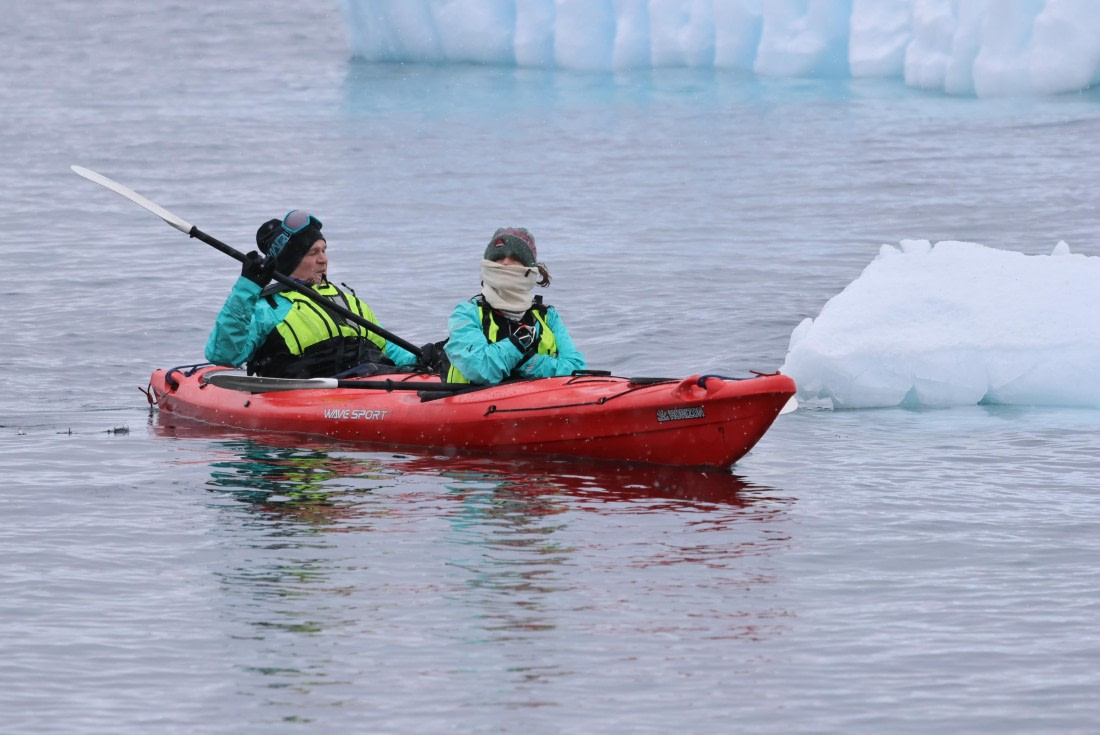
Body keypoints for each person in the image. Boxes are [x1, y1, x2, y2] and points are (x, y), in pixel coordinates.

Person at [205, 210, 418, 378]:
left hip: (373, 380)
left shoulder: (347, 301)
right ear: (292, 261)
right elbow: (224, 355)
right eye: (313, 252)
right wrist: (247, 288)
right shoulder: (266, 308)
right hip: (314, 395)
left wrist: (421, 358)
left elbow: (387, 348)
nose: (323, 259)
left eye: (324, 250)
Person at [442, 227, 586, 384]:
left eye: (515, 257)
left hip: (539, 401)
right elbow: (480, 368)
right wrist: (516, 345)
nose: (505, 263)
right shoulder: (467, 313)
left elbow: (576, 368)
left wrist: (530, 363)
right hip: (471, 404)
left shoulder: (548, 317)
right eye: (498, 257)